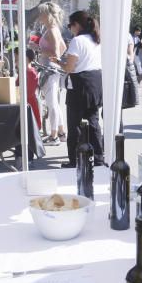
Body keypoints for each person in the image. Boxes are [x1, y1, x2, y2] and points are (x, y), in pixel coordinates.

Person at [60, 10, 104, 167]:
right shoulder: (96, 39)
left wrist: (59, 63)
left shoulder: (77, 41)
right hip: (96, 83)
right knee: (93, 123)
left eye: (70, 25)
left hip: (79, 85)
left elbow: (69, 68)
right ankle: (98, 158)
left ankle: (75, 159)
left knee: (74, 125)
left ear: (76, 25)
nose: (70, 28)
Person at [35, 2, 67, 144]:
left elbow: (56, 52)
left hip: (49, 69)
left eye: (41, 13)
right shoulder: (53, 29)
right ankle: (60, 132)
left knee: (51, 103)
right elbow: (63, 47)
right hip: (51, 69)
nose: (39, 16)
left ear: (47, 15)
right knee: (54, 102)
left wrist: (37, 48)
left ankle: (54, 135)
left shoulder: (52, 30)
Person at [20, 48, 43, 129]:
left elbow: (29, 92)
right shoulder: (24, 71)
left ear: (26, 58)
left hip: (29, 103)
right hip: (26, 101)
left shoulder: (31, 73)